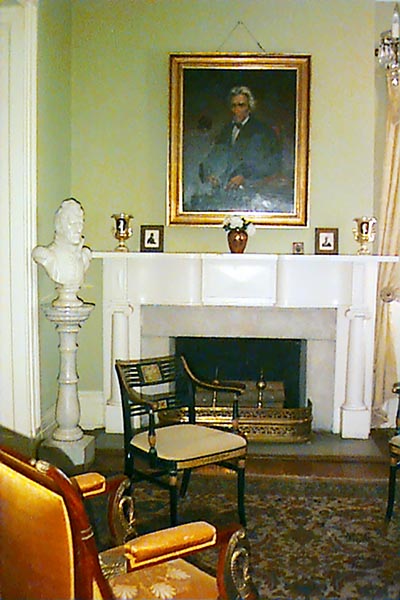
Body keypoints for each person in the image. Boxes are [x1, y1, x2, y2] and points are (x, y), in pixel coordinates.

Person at [199, 86, 282, 203]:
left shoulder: (262, 131)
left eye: (241, 105)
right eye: (234, 106)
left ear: (249, 107)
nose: (237, 109)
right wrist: (209, 173)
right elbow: (213, 156)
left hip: (253, 192)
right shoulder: (226, 130)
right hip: (225, 190)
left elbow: (272, 163)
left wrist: (244, 178)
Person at [32, 198, 91, 307]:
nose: (78, 229)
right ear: (60, 226)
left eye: (80, 223)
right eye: (72, 224)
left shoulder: (84, 256)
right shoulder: (46, 255)